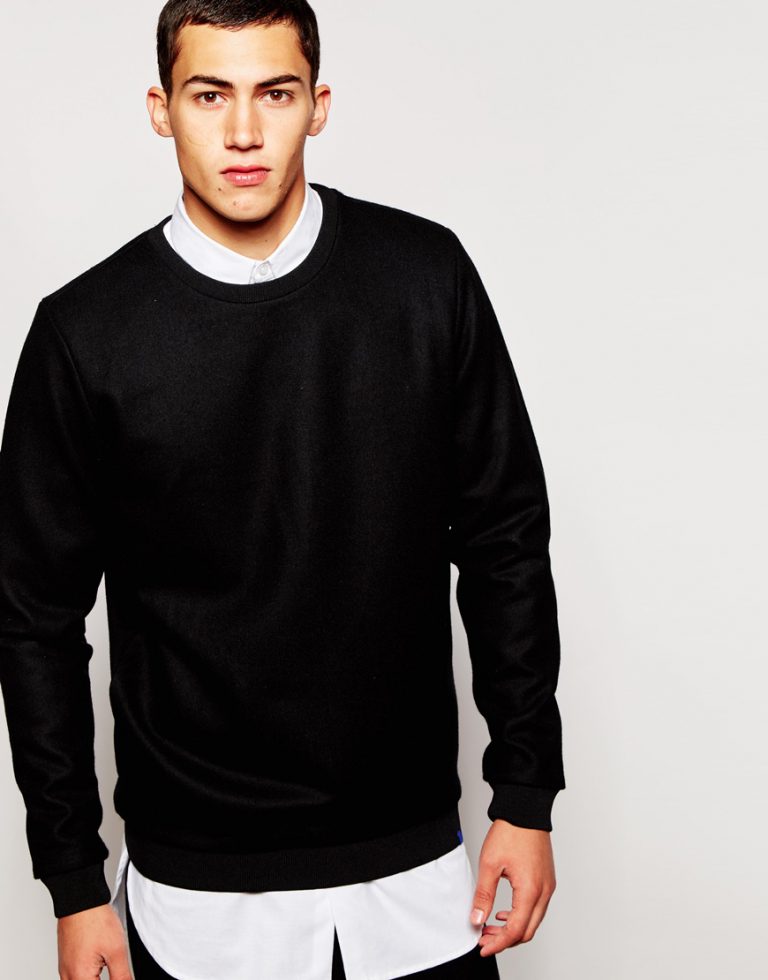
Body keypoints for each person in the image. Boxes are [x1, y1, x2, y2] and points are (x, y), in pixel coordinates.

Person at [0, 1, 566, 978]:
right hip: (196, 905)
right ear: (160, 109)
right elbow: (33, 620)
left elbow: (504, 537)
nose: (244, 131)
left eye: (275, 93)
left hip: (420, 885)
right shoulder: (84, 334)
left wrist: (525, 792)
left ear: (319, 104)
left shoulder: (424, 279)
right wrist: (74, 881)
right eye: (208, 95)